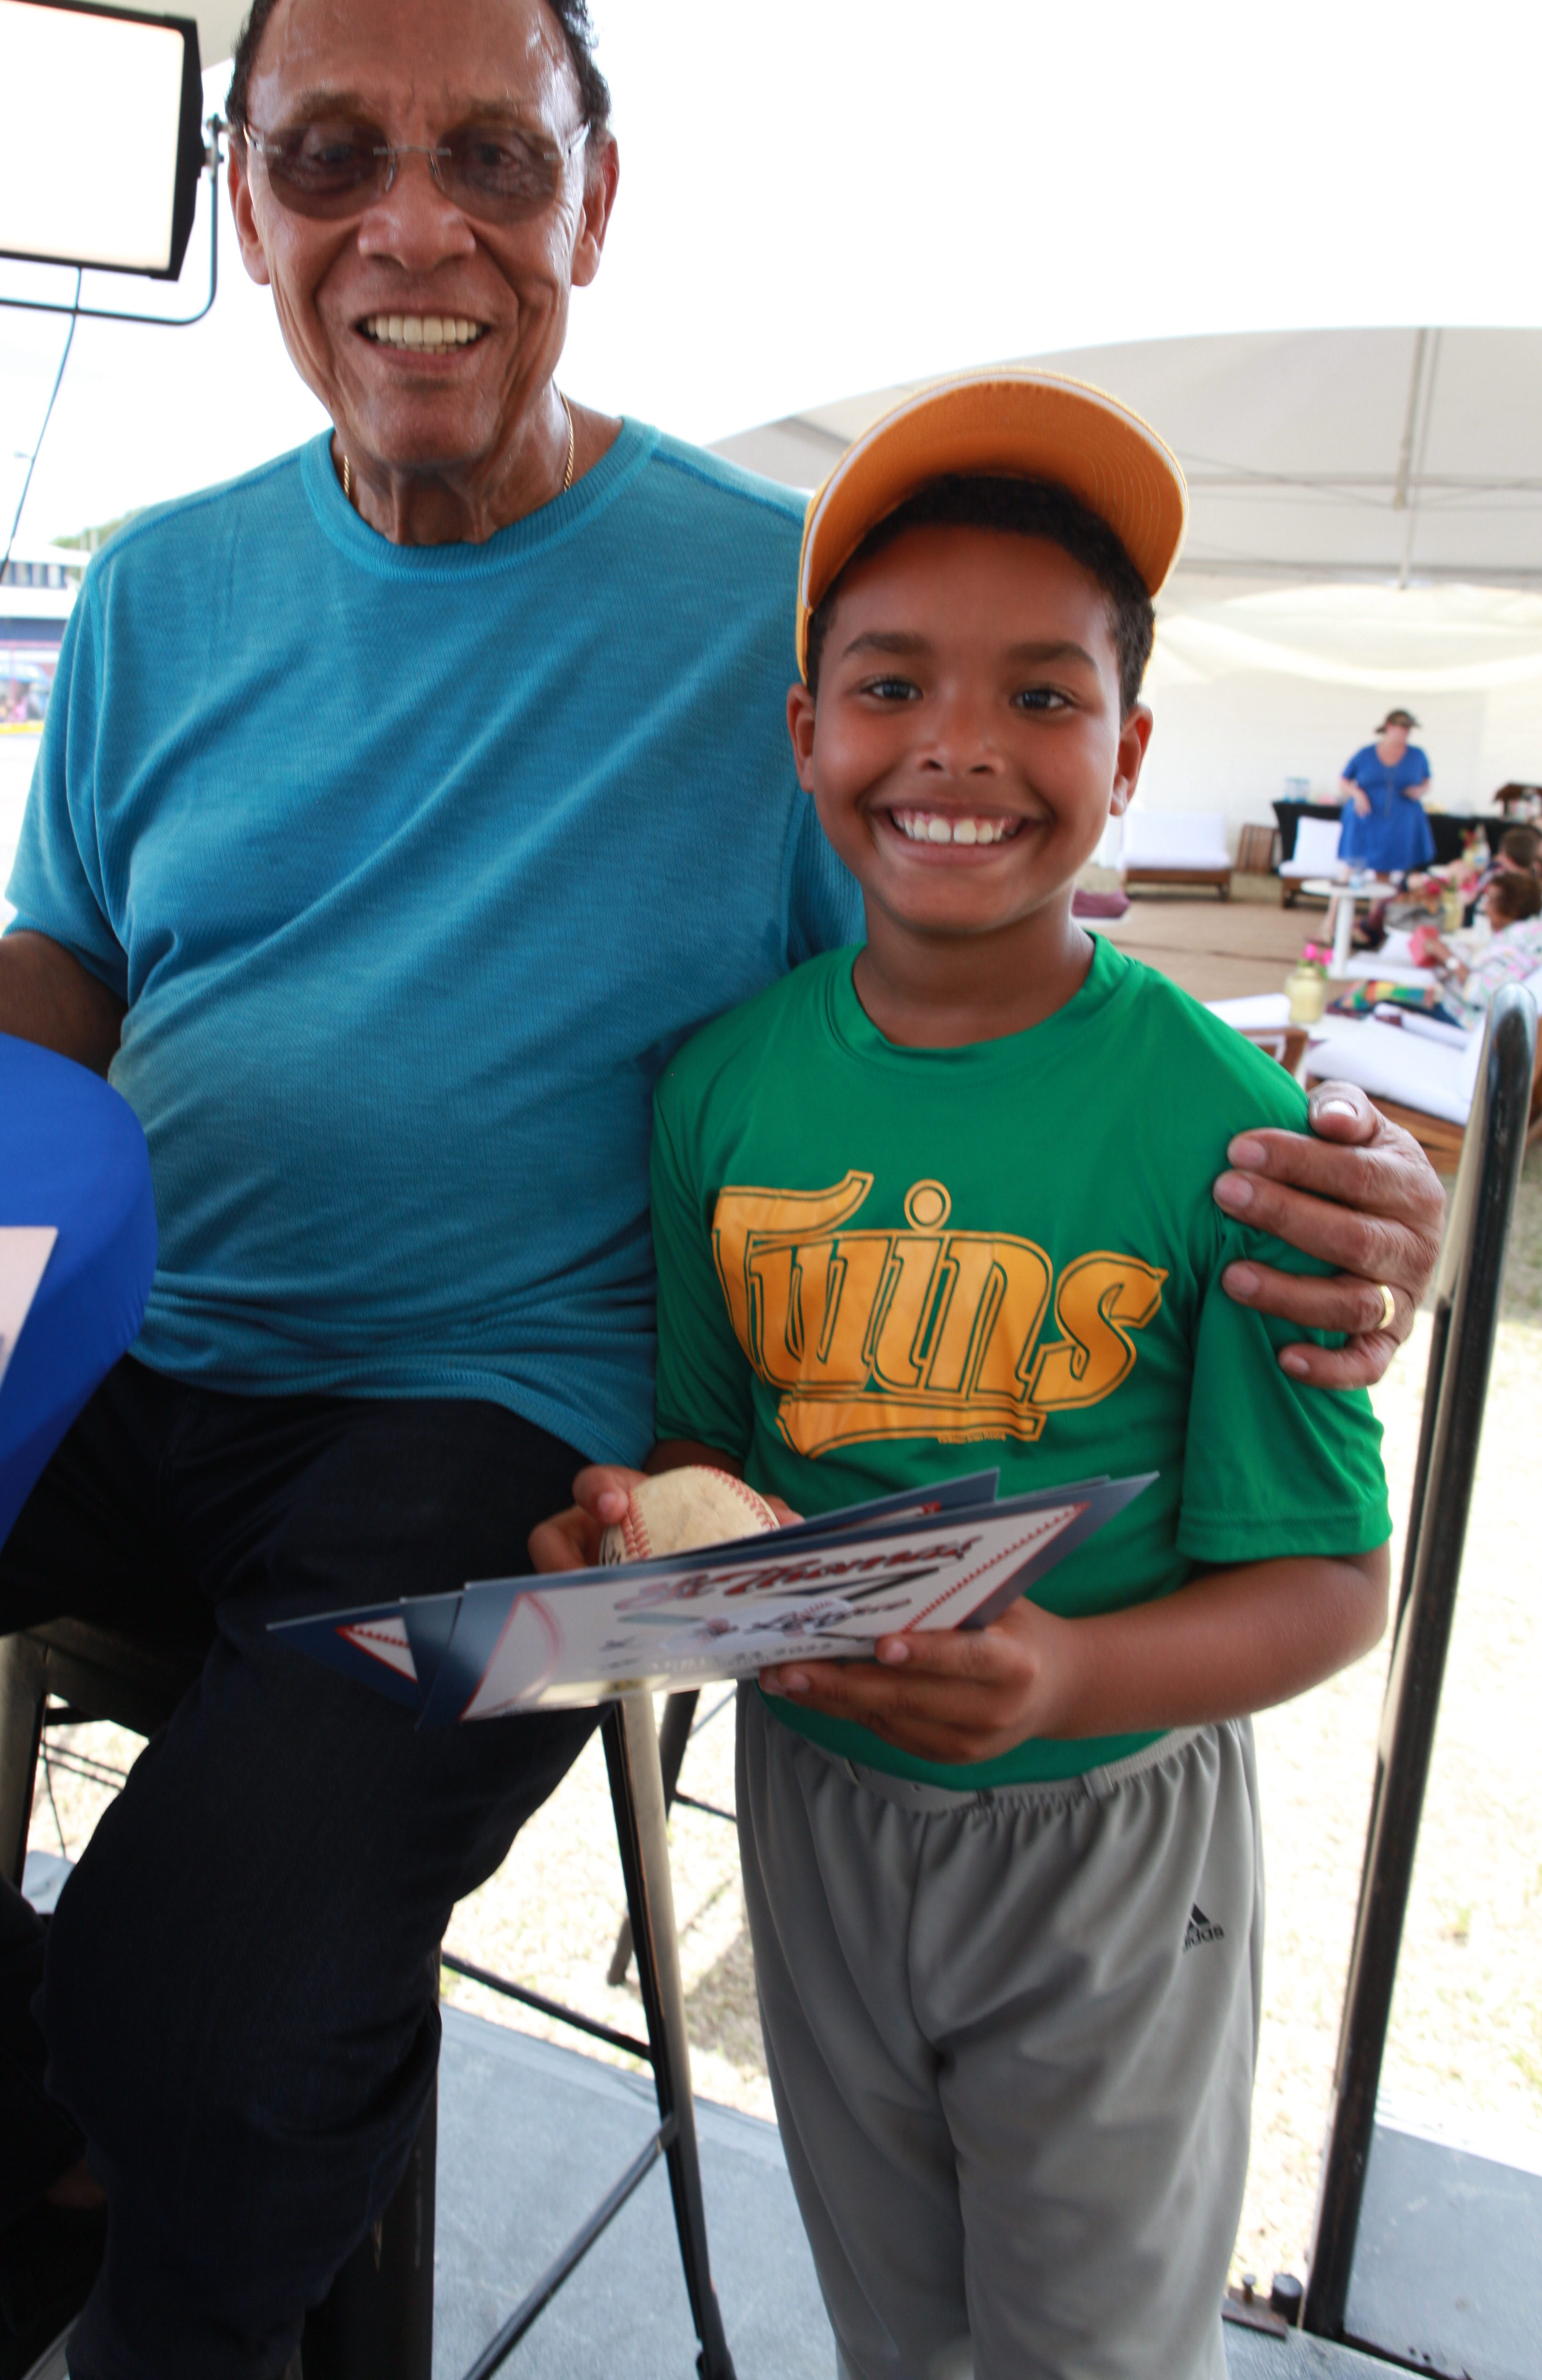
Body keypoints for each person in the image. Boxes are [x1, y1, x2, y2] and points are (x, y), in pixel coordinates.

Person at [0, 0, 1443, 2380]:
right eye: (332, 156)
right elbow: (86, 992)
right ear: (246, 201)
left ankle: (176, 2219)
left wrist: (1316, 1178)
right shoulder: (154, 598)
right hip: (128, 1350)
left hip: (495, 1424)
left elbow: (995, 986)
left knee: (216, 2000)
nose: (413, 225)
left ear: (598, 195)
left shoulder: (783, 618)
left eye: (492, 154)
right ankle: (56, 2193)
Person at [534, 375, 1394, 2380]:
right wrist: (646, 1536)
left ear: (1132, 748)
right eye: (894, 684)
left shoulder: (1232, 1128)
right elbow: (705, 1442)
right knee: (891, 2322)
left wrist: (1071, 1680)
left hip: (1106, 1828)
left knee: (1088, 2348)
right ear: (805, 734)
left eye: (1042, 696)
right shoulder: (721, 1092)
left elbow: (1339, 1586)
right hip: (815, 1807)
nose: (960, 751)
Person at [1417, 863, 1542, 1007]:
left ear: (1511, 911)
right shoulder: (1519, 936)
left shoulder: (1518, 943)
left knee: (1387, 1001)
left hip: (1459, 1016)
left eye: (1490, 901)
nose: (1485, 908)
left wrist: (1446, 956)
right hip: (1447, 1001)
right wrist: (1445, 959)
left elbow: (1484, 993)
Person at [1336, 708, 1434, 876]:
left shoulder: (1417, 755)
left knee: (1386, 868)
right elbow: (1344, 780)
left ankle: (1379, 903)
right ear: (1389, 726)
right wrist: (1358, 794)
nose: (1406, 733)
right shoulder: (1365, 754)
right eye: (1402, 728)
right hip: (1366, 817)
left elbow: (1427, 782)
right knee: (1353, 864)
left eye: (1409, 730)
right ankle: (1337, 902)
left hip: (1400, 820)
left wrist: (1419, 791)